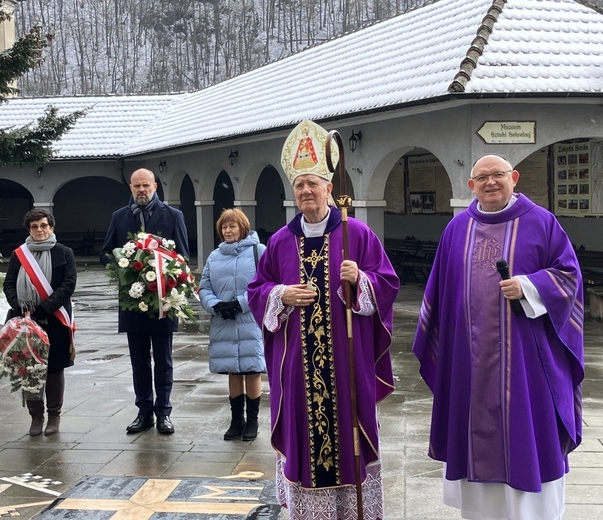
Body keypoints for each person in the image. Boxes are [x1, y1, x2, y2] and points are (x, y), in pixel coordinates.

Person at [412, 154, 585, 520]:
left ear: (514, 178)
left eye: (499, 175)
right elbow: (439, 292)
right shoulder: (456, 229)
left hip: (526, 366)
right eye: (482, 177)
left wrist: (528, 286)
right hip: (468, 365)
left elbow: (569, 277)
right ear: (471, 185)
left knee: (528, 439)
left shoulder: (541, 223)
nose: (491, 182)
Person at [247, 120, 400, 519]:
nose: (306, 192)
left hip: (347, 363)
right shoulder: (280, 241)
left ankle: (353, 511)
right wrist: (281, 295)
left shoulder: (358, 234)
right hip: (298, 365)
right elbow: (257, 289)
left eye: (313, 184)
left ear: (330, 188)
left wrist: (359, 282)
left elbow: (388, 284)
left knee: (350, 433)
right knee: (303, 435)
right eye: (299, 186)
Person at [100, 167, 189, 435]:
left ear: (155, 186)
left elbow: (183, 257)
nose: (141, 190)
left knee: (163, 359)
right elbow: (105, 254)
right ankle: (143, 411)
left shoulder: (173, 216)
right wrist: (124, 262)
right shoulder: (119, 217)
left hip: (161, 301)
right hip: (132, 301)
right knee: (139, 360)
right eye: (136, 186)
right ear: (130, 188)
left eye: (146, 185)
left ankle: (164, 413)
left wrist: (163, 271)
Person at [3, 208, 77, 436]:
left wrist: (44, 308)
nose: (39, 230)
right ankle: (36, 417)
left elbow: (68, 285)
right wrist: (20, 308)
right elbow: (8, 283)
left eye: (44, 225)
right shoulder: (19, 254)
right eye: (34, 227)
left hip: (54, 319)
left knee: (54, 368)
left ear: (51, 227)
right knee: (29, 368)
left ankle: (54, 416)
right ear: (29, 230)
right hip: (25, 321)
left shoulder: (64, 253)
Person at [199, 208, 266, 442]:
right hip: (224, 320)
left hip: (249, 319)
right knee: (233, 369)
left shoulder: (259, 251)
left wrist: (240, 304)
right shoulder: (214, 256)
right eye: (224, 227)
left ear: (243, 228)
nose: (228, 230)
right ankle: (236, 420)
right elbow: (204, 287)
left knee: (251, 368)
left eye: (232, 226)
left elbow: (265, 284)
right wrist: (215, 305)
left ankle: (253, 420)